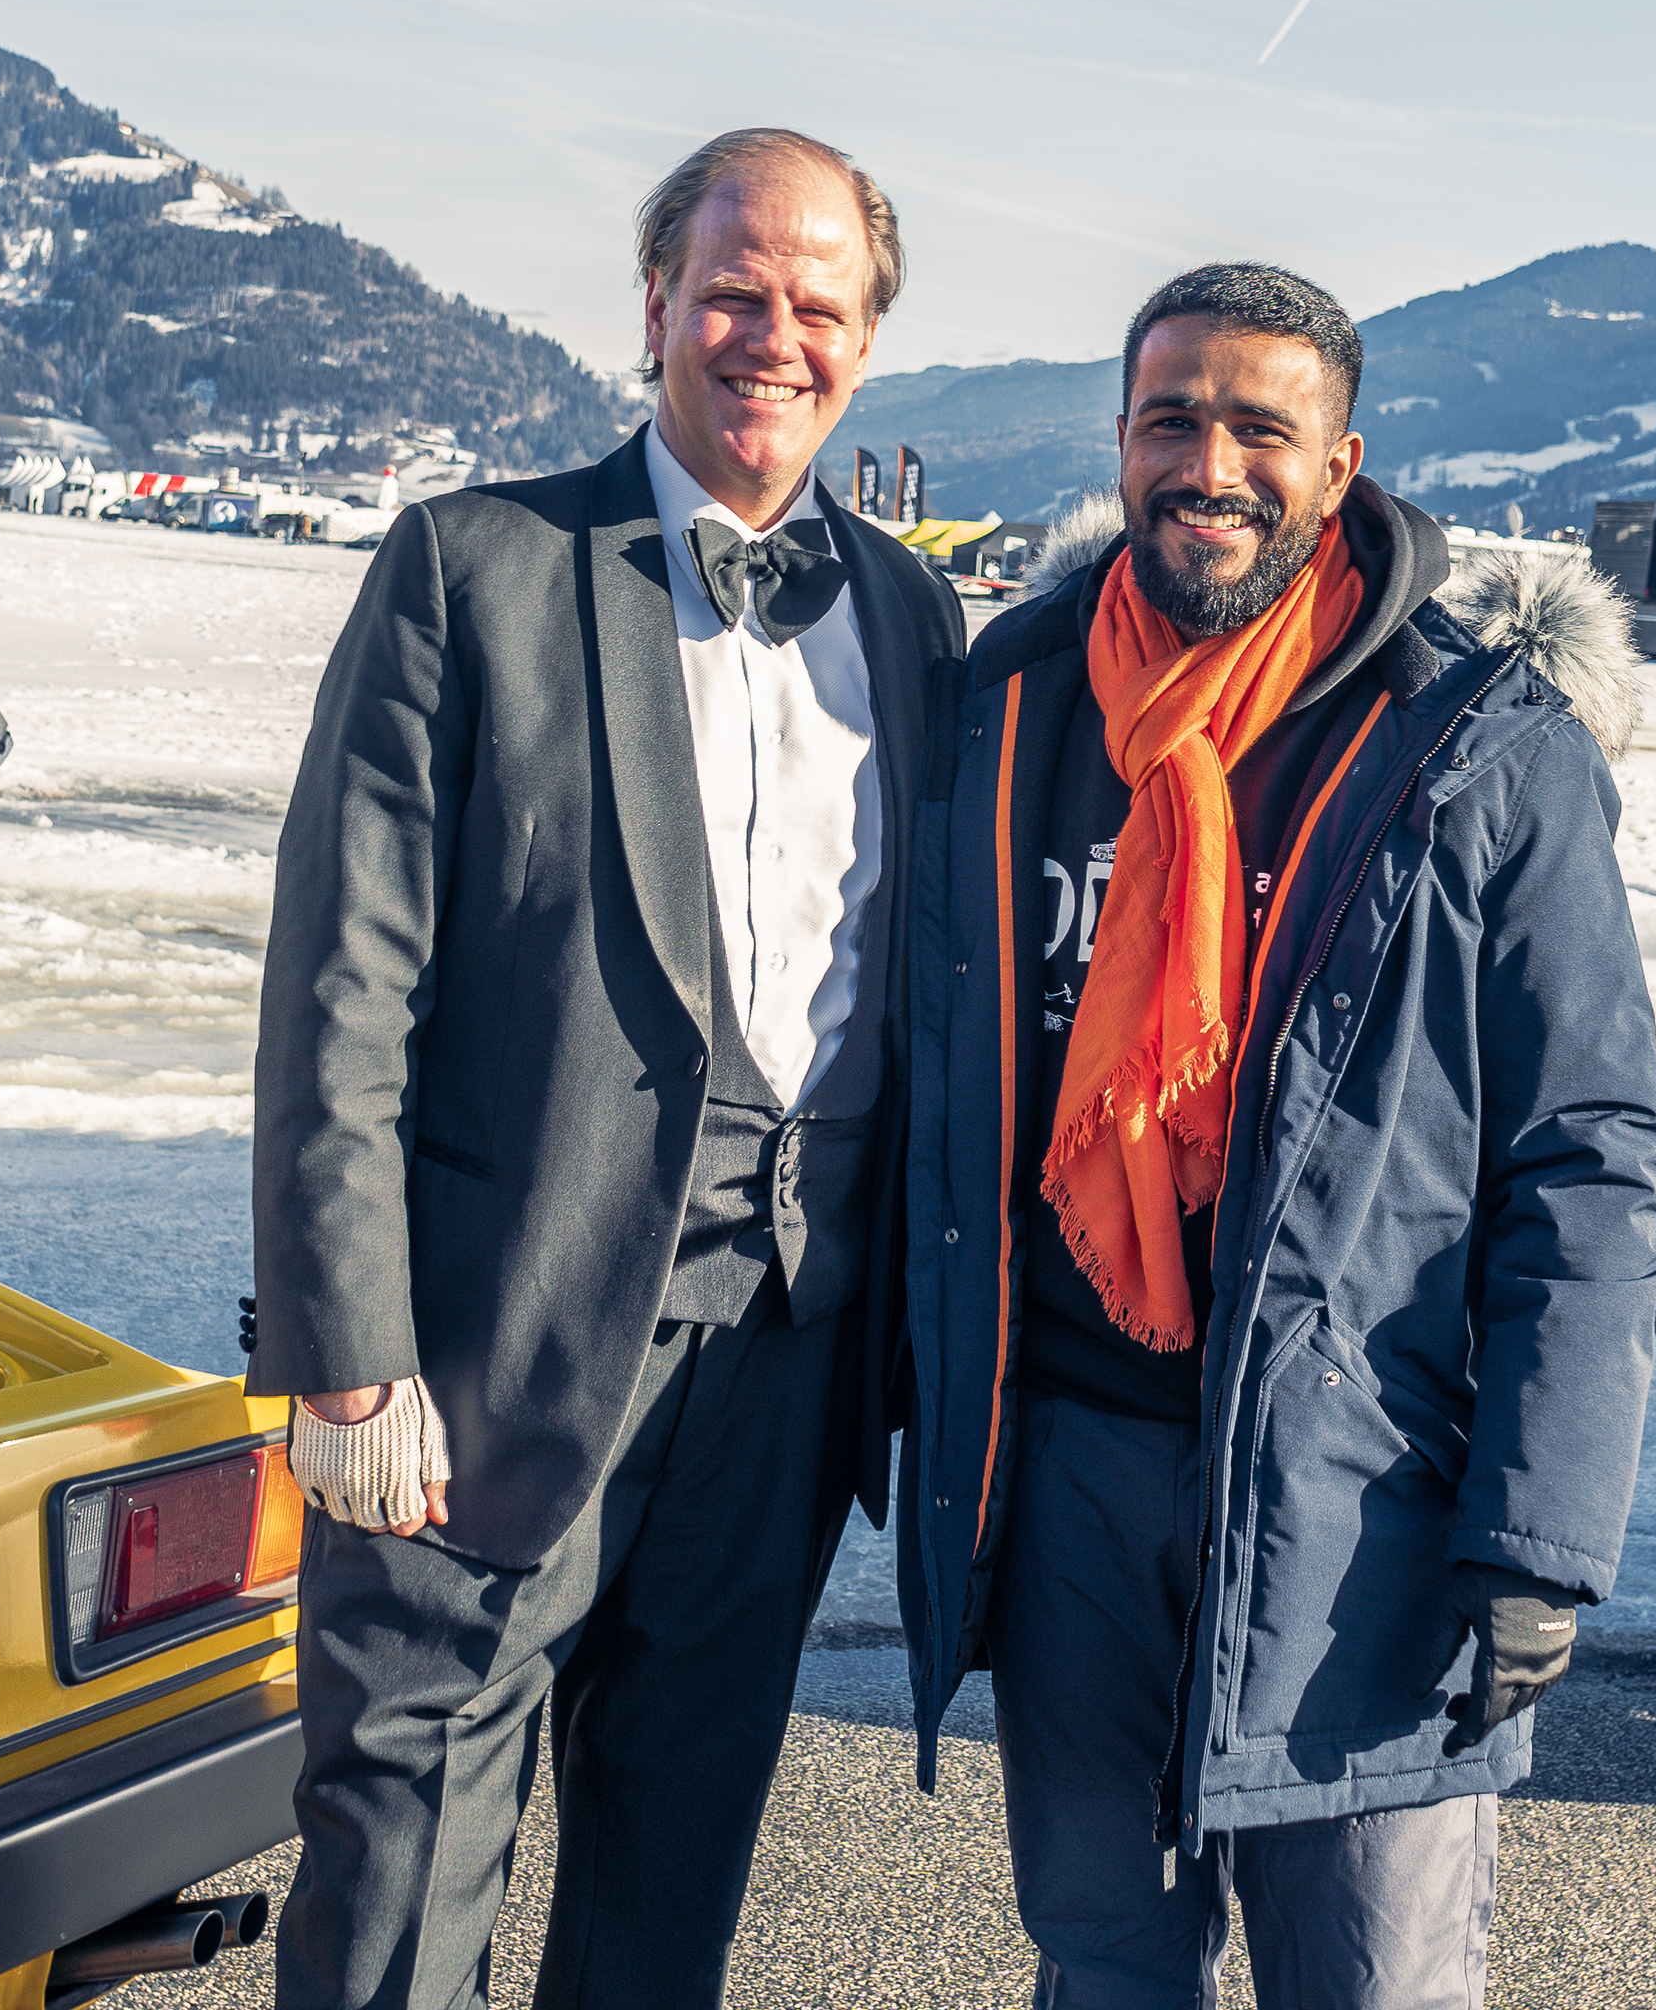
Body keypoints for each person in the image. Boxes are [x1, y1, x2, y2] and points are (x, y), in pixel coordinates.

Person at [896, 264, 1656, 2008]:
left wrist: (1539, 1530)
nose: (1212, 464)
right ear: (1121, 438)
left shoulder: (1473, 744)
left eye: (1262, 427)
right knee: (1102, 1966)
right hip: (1071, 1478)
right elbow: (938, 1089)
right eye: (1172, 420)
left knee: (1374, 1985)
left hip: (1362, 1500)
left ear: (1340, 466)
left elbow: (1593, 1154)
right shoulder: (1015, 705)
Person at [252, 128, 965, 2010]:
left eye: (819, 306)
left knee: (666, 1907)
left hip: (787, 1361)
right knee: (398, 1891)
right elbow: (341, 985)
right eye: (734, 293)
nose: (774, 338)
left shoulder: (910, 617)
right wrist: (345, 1348)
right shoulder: (475, 567)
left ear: (868, 341)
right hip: (490, 1348)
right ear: (655, 307)